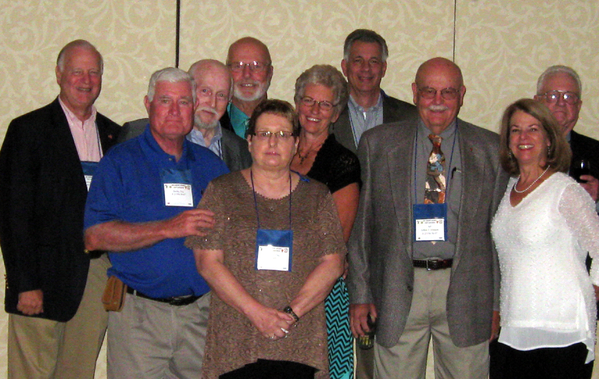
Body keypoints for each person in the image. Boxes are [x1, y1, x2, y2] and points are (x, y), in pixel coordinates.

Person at [346, 57, 508, 378]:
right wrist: (361, 295)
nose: (437, 102)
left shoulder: (491, 149)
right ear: (414, 93)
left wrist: (496, 304)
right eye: (428, 91)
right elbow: (361, 229)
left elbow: (498, 237)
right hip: (396, 285)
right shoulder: (378, 144)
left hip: (466, 287)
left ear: (461, 95)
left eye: (447, 92)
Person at [84, 67, 229, 378]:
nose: (175, 111)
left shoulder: (212, 166)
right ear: (148, 104)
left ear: (194, 107)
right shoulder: (120, 161)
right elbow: (94, 237)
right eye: (165, 101)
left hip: (200, 315)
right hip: (139, 317)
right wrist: (168, 228)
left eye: (184, 102)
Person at [186, 99, 346, 378]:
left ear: (296, 143)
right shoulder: (222, 191)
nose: (273, 142)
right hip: (237, 338)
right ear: (249, 141)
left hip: (299, 337)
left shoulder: (317, 196)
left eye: (283, 135)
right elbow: (207, 262)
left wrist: (291, 315)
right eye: (264, 134)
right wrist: (258, 314)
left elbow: (332, 263)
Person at [0, 39, 120, 379]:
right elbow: (13, 214)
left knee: (78, 373)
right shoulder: (28, 130)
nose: (85, 79)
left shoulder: (114, 135)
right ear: (58, 74)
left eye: (93, 72)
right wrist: (25, 283)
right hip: (40, 277)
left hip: (95, 278)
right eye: (77, 71)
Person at [491, 98, 599, 378]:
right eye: (515, 130)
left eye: (533, 129)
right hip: (515, 325)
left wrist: (594, 289)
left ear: (549, 139)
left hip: (561, 330)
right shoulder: (510, 187)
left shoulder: (564, 189)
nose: (523, 137)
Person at [291, 64, 360, 379]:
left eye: (325, 104)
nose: (314, 110)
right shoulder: (276, 150)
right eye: (308, 100)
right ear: (297, 103)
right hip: (271, 283)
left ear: (336, 114)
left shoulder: (343, 162)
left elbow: (336, 238)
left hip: (321, 288)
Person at [119, 59, 252, 172]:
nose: (212, 103)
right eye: (205, 91)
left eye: (221, 95)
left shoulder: (240, 149)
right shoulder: (136, 133)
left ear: (229, 100)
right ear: (189, 93)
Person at [333, 29, 417, 155]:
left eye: (373, 61)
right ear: (345, 67)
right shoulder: (327, 114)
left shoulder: (410, 118)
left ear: (383, 68)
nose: (366, 68)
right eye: (358, 60)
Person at [535, 65, 599, 201]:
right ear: (537, 102)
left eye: (568, 97)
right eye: (552, 96)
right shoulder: (516, 148)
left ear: (578, 106)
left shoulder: (596, 153)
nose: (561, 103)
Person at [222, 37, 274, 138]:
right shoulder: (210, 124)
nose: (247, 74)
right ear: (227, 71)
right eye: (238, 66)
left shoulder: (288, 127)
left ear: (270, 72)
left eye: (256, 66)